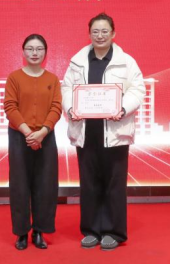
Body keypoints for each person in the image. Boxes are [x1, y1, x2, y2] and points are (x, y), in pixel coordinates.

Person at [61, 13, 146, 251]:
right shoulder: (77, 61)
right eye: (95, 32)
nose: (100, 36)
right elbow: (66, 88)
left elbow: (137, 90)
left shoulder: (126, 62)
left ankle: (113, 231)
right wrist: (71, 108)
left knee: (114, 184)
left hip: (115, 132)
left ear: (113, 33)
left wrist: (122, 108)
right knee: (89, 183)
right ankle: (91, 230)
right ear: (89, 34)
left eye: (104, 31)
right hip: (86, 132)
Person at [3, 34, 62, 251]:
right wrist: (29, 133)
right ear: (23, 52)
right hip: (20, 136)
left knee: (45, 185)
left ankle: (39, 231)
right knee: (20, 185)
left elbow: (56, 107)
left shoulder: (52, 79)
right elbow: (10, 107)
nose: (34, 53)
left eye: (39, 49)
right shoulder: (14, 78)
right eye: (30, 49)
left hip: (46, 135)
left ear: (45, 52)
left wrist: (42, 132)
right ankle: (21, 232)